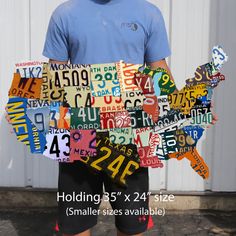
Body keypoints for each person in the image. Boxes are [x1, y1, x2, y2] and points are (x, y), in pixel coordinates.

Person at [43, 0, 174, 235]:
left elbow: (158, 68)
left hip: (130, 132)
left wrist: (186, 108)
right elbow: (56, 75)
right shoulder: (64, 14)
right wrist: (33, 115)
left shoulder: (148, 13)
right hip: (79, 131)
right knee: (75, 221)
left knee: (132, 222)